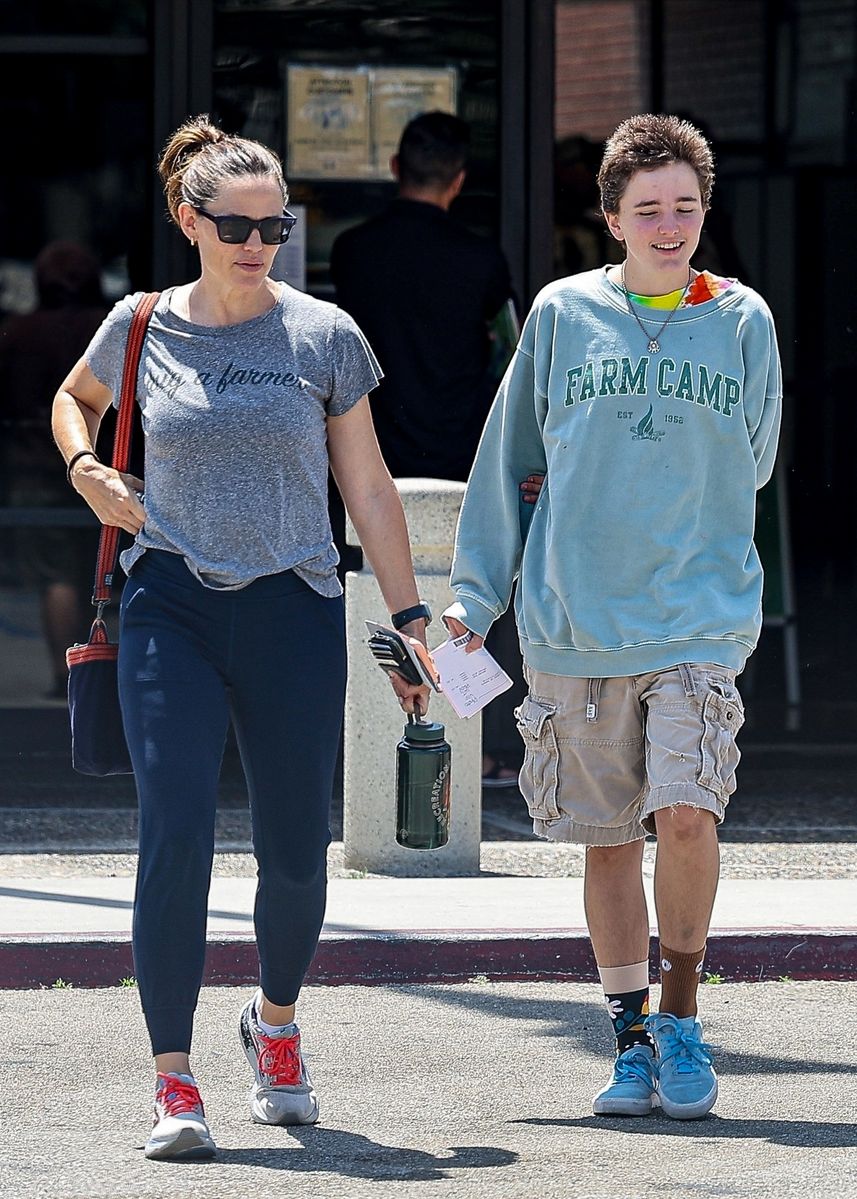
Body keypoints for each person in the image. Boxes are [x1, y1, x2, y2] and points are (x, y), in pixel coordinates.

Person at [51, 114, 430, 1161]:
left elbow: (366, 485)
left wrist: (403, 618)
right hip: (168, 601)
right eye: (236, 225)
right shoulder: (137, 325)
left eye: (275, 224)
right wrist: (86, 468)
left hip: (293, 607)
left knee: (294, 844)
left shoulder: (321, 334)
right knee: (173, 832)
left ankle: (274, 1024)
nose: (258, 244)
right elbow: (71, 402)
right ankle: (173, 1076)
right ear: (189, 219)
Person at [444, 114, 781, 1120]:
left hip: (695, 616)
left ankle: (678, 1012)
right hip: (575, 620)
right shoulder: (558, 314)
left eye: (684, 205)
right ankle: (628, 1032)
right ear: (609, 217)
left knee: (684, 813)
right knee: (603, 841)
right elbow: (504, 461)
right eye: (648, 209)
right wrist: (471, 601)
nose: (668, 224)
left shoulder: (741, 321)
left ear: (702, 209)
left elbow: (754, 459)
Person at [331, 110, 522, 784]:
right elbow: (509, 354)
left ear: (393, 170)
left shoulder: (353, 250)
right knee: (464, 599)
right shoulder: (481, 259)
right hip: (458, 452)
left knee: (367, 592)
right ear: (459, 180)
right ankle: (472, 749)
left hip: (369, 450)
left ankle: (354, 743)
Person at [0, 241, 107, 697]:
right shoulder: (105, 329)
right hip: (99, 464)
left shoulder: (20, 332)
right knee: (87, 571)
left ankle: (67, 678)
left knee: (56, 574)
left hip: (33, 468)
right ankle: (83, 676)